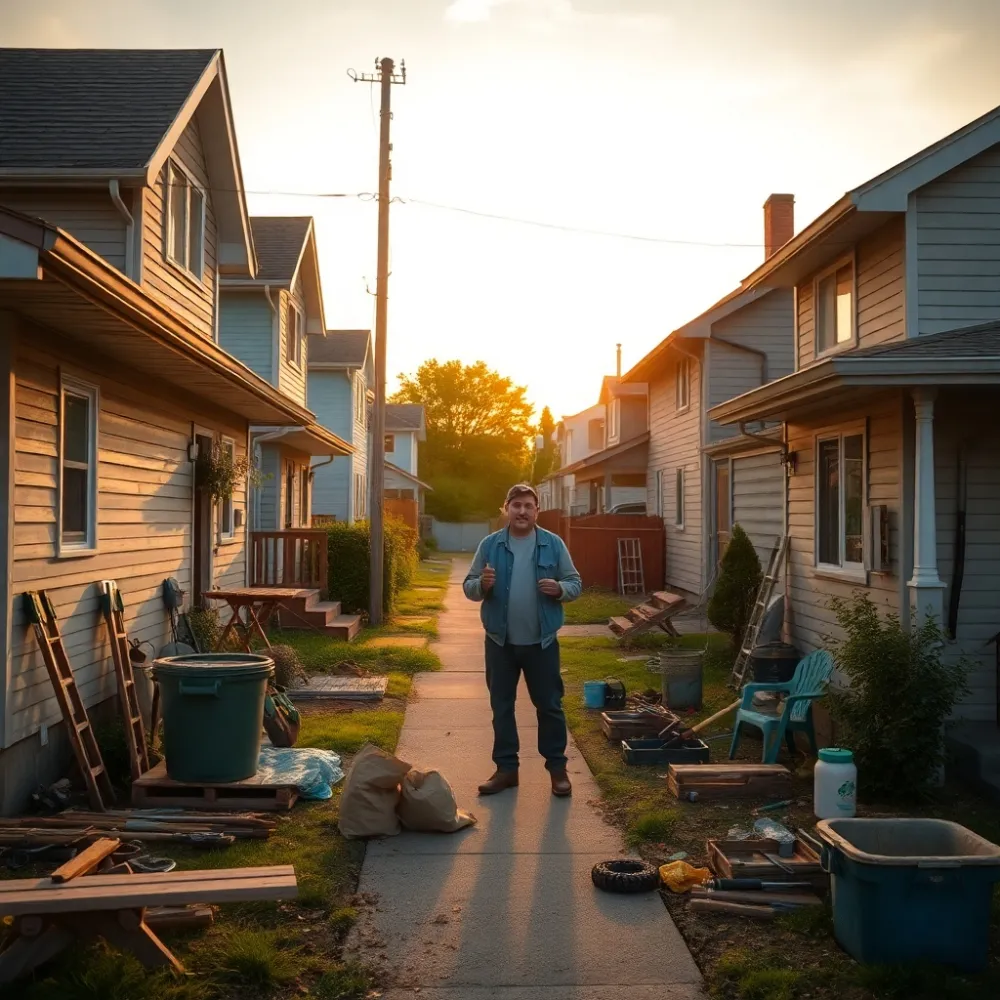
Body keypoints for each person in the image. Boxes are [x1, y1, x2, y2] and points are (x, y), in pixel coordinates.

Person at [463, 483, 582, 797]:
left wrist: (560, 589)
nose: (522, 511)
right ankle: (506, 770)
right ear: (506, 508)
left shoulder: (553, 544)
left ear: (536, 511)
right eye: (516, 505)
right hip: (500, 643)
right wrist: (482, 585)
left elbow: (574, 582)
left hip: (541, 644)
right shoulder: (490, 545)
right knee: (502, 706)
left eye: (528, 505)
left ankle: (558, 770)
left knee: (550, 706)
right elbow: (469, 586)